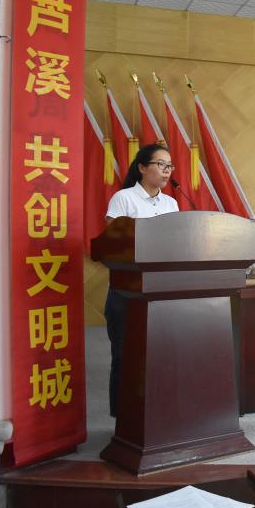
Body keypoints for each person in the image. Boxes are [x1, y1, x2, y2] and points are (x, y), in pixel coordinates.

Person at [103, 144, 180, 417]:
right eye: (160, 164)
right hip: (127, 293)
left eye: (169, 166)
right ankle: (124, 417)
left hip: (161, 292)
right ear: (142, 167)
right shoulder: (124, 199)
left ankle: (159, 413)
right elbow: (114, 243)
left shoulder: (171, 203)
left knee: (160, 356)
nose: (166, 171)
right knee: (126, 356)